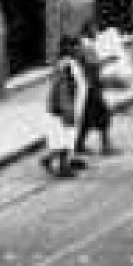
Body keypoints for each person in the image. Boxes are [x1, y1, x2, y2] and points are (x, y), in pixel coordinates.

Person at [42, 38, 87, 177]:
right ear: (69, 49)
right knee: (64, 137)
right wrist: (67, 109)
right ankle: (62, 166)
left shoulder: (72, 64)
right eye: (77, 47)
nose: (80, 49)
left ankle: (59, 160)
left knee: (68, 136)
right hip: (65, 109)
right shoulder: (65, 66)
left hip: (73, 106)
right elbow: (63, 90)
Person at [75, 20, 115, 156]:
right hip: (91, 86)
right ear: (88, 31)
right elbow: (92, 64)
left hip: (88, 85)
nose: (96, 33)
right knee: (104, 114)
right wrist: (109, 60)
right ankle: (106, 146)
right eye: (94, 30)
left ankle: (79, 144)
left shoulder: (84, 44)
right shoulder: (86, 45)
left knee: (87, 117)